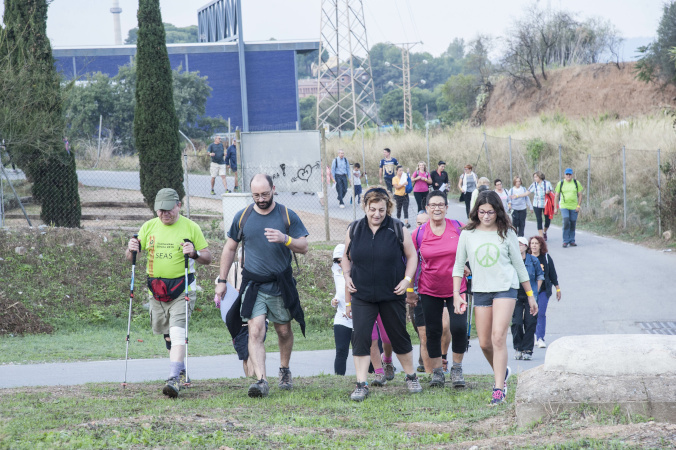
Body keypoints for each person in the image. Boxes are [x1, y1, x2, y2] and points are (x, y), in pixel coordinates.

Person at [216, 174, 309, 398]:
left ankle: (284, 369)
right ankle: (261, 380)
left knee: (284, 330)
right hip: (253, 284)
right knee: (255, 330)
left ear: (273, 189)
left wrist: (284, 239)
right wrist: (222, 280)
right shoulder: (243, 216)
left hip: (280, 284)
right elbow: (229, 249)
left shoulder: (287, 214)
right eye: (256, 195)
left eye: (265, 194)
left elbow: (304, 246)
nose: (260, 199)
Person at [452, 190, 538, 406]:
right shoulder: (467, 234)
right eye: (482, 212)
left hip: (505, 288)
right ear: (476, 211)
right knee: (484, 343)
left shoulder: (506, 232)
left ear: (498, 211)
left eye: (490, 212)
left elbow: (518, 265)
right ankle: (502, 372)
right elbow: (458, 265)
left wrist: (530, 295)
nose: (486, 216)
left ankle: (498, 388)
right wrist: (456, 294)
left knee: (498, 336)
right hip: (481, 289)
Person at [125, 188, 212, 398]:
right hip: (156, 291)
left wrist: (194, 253)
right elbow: (130, 257)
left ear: (178, 206)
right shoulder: (149, 227)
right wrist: (131, 248)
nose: (165, 214)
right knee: (167, 334)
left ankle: (173, 379)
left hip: (183, 290)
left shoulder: (191, 227)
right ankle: (180, 370)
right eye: (160, 210)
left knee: (177, 332)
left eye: (169, 210)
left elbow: (207, 258)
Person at [342, 186, 422, 401]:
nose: (377, 214)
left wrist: (407, 281)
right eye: (372, 209)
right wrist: (347, 277)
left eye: (381, 209)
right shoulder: (354, 229)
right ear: (365, 208)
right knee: (360, 337)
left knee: (398, 336)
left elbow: (412, 257)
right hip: (362, 295)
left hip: (391, 293)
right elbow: (345, 257)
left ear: (388, 208)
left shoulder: (397, 228)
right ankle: (361, 383)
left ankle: (411, 376)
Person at [411, 190, 470, 388]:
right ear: (427, 208)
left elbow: (474, 245)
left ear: (446, 207)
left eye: (440, 205)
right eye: (433, 205)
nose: (437, 208)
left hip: (457, 288)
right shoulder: (419, 233)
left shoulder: (458, 227)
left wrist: (469, 264)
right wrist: (409, 288)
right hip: (429, 289)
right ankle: (437, 372)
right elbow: (410, 260)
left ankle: (457, 369)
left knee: (459, 328)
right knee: (433, 331)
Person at [511, 237, 544, 361]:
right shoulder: (511, 260)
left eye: (521, 245)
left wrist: (536, 290)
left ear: (526, 246)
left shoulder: (533, 260)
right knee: (517, 322)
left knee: (530, 322)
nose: (519, 247)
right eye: (517, 245)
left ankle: (528, 349)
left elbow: (540, 275)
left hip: (530, 295)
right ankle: (518, 347)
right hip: (515, 295)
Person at [528, 236, 561, 349]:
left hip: (543, 291)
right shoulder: (526, 258)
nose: (534, 245)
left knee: (541, 313)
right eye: (532, 243)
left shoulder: (546, 257)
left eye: (536, 243)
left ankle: (540, 337)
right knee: (530, 314)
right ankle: (530, 337)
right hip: (529, 292)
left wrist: (557, 288)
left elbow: (552, 273)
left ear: (541, 245)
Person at [330, 244, 352, 375]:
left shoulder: (356, 271)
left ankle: (373, 375)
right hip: (341, 317)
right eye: (335, 261)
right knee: (341, 351)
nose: (338, 264)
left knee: (365, 350)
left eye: (340, 260)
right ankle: (338, 380)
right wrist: (333, 301)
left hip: (359, 316)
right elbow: (339, 294)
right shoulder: (336, 273)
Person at [555, 168, 584, 248]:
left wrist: (578, 206)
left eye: (570, 174)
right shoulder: (560, 183)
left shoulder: (576, 183)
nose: (568, 176)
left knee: (573, 222)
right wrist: (555, 207)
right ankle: (565, 241)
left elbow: (580, 195)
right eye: (567, 174)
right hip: (564, 206)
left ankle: (572, 240)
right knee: (566, 220)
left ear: (572, 175)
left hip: (574, 206)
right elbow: (556, 195)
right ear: (564, 175)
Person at [528, 172, 552, 240]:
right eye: (534, 177)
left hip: (546, 204)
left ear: (540, 177)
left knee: (548, 220)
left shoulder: (547, 183)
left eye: (536, 177)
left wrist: (548, 192)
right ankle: (541, 237)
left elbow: (551, 191)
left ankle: (544, 231)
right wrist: (518, 195)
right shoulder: (534, 184)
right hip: (537, 204)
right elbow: (528, 192)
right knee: (539, 220)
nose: (535, 178)